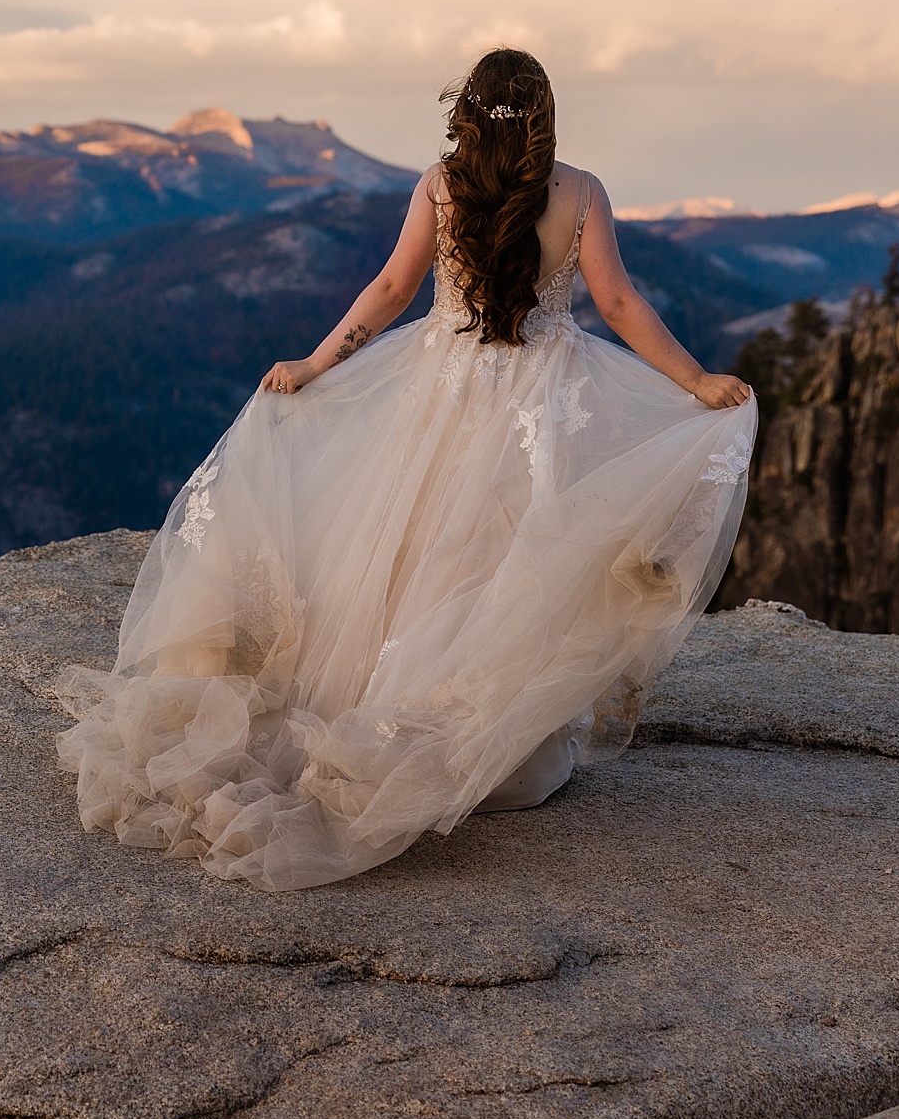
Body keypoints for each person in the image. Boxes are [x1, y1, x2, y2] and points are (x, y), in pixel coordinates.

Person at [57, 49, 758, 891]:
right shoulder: (581, 191)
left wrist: (319, 362)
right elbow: (616, 304)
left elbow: (393, 286)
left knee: (406, 552)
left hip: (436, 391)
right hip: (538, 409)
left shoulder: (441, 184)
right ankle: (489, 747)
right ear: (540, 117)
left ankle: (381, 709)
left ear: (468, 112)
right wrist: (694, 380)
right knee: (506, 565)